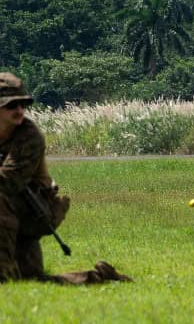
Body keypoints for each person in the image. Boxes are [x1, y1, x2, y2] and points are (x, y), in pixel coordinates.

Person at [0, 73, 131, 284]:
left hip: (35, 212)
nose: (19, 110)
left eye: (22, 104)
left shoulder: (29, 135)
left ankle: (2, 277)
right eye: (11, 105)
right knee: (32, 279)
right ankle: (97, 278)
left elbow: (10, 182)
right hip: (12, 212)